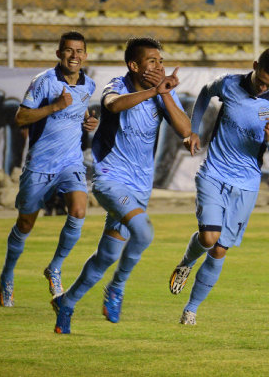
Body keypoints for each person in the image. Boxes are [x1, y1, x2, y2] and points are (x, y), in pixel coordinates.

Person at [50, 37, 191, 333]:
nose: (159, 66)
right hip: (109, 178)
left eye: (161, 61)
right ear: (134, 66)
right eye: (152, 61)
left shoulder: (162, 92)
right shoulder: (117, 84)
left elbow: (185, 130)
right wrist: (155, 89)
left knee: (107, 255)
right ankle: (117, 287)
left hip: (140, 186)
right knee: (144, 232)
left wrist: (164, 94)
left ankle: (67, 303)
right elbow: (113, 106)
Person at [168, 47, 269, 325]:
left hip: (246, 184)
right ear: (254, 65)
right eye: (260, 79)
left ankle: (191, 310)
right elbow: (203, 94)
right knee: (209, 237)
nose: (262, 87)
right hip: (214, 172)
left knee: (220, 249)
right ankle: (187, 263)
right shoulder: (229, 84)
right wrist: (193, 130)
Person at [0, 31, 98, 307]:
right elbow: (21, 117)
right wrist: (54, 106)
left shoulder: (88, 84)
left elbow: (80, 113)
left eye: (79, 51)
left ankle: (55, 267)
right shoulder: (43, 82)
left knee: (78, 210)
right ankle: (7, 274)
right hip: (40, 165)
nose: (74, 56)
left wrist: (89, 122)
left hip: (71, 163)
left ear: (85, 55)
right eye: (68, 50)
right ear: (59, 53)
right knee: (25, 223)